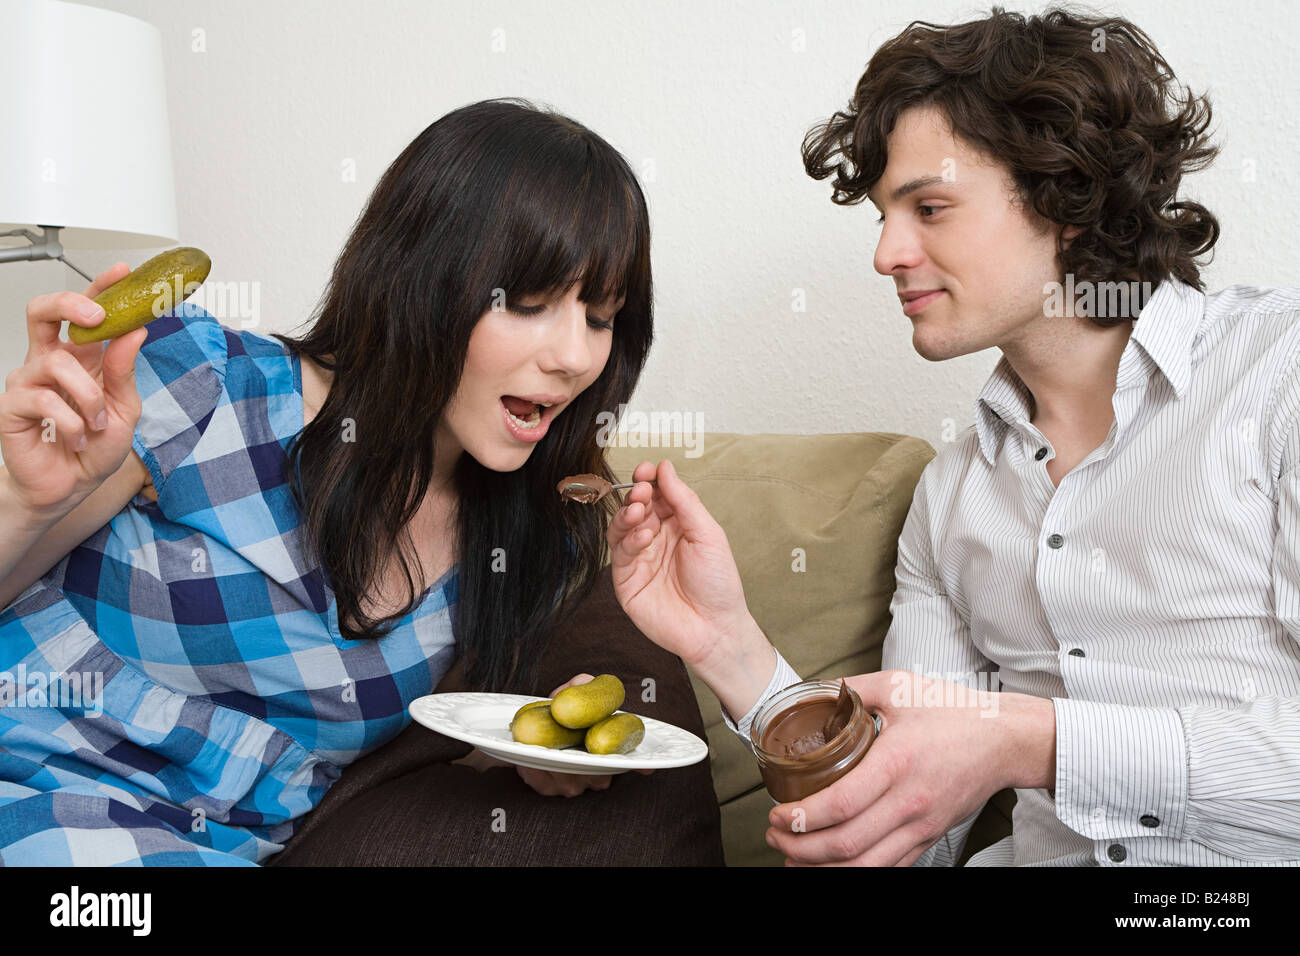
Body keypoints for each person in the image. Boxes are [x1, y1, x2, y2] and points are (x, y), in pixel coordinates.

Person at [606, 6, 1300, 866]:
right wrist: (731, 647)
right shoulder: (953, 496)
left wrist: (1033, 742)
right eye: (884, 218)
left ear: (1067, 195)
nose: (886, 253)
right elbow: (901, 838)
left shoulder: (1279, 376)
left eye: (929, 207)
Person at [0, 98, 702, 865]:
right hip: (32, 792)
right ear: (417, 279)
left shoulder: (531, 538)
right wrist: (30, 501)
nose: (573, 355)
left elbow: (425, 743)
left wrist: (522, 757)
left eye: (601, 316)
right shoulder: (201, 383)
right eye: (529, 304)